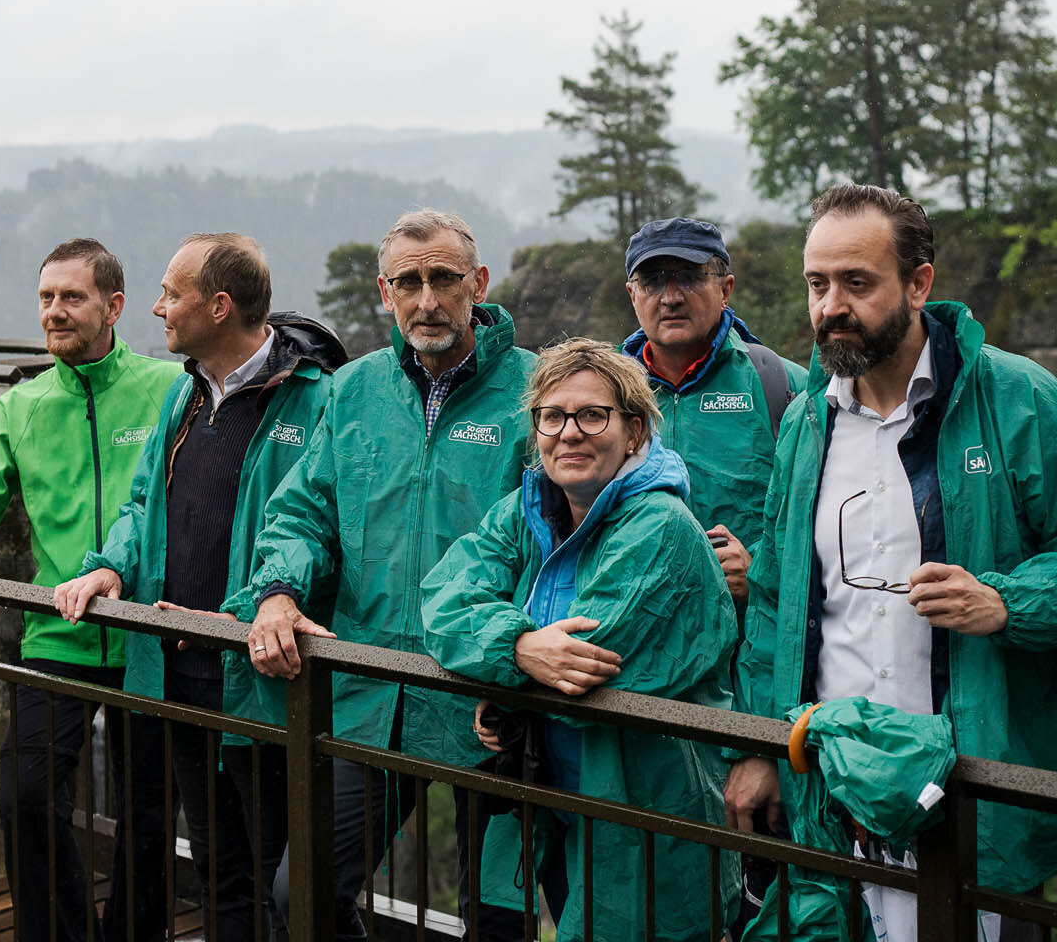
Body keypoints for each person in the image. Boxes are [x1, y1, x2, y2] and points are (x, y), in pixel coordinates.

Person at [725, 183, 1057, 940]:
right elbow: (772, 601)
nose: (830, 305)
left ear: (918, 283)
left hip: (970, 800)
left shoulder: (1020, 399)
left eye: (856, 283)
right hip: (832, 795)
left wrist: (1007, 604)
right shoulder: (805, 420)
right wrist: (761, 747)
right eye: (816, 284)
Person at [232, 209, 540, 937]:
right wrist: (276, 592)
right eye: (409, 282)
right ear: (384, 292)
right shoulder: (355, 389)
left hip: (490, 701)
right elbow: (304, 512)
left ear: (479, 283)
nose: (426, 300)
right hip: (371, 692)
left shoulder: (536, 390)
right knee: (299, 896)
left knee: (497, 920)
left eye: (443, 279)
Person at [0, 238, 180, 942]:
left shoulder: (169, 390)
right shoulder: (22, 408)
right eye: (46, 297)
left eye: (71, 298)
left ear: (112, 307)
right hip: (61, 634)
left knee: (148, 820)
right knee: (23, 798)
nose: (54, 311)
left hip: (155, 637)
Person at [55, 233, 347, 939]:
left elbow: (320, 531)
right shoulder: (184, 394)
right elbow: (143, 507)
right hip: (179, 673)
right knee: (220, 869)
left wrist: (234, 615)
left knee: (285, 881)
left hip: (262, 675)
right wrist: (111, 563)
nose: (156, 309)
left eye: (170, 295)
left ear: (218, 307)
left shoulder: (313, 400)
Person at [420, 337, 739, 939]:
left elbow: (586, 660)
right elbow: (444, 598)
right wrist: (515, 649)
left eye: (593, 415)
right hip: (557, 795)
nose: (570, 432)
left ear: (636, 431)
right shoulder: (529, 507)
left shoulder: (660, 527)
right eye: (552, 415)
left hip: (644, 800)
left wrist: (503, 686)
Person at [618, 216, 806, 614]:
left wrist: (761, 576)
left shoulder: (785, 386)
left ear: (726, 289)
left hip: (748, 650)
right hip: (634, 641)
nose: (670, 297)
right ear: (633, 295)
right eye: (652, 281)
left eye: (689, 277)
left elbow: (828, 523)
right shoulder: (602, 394)